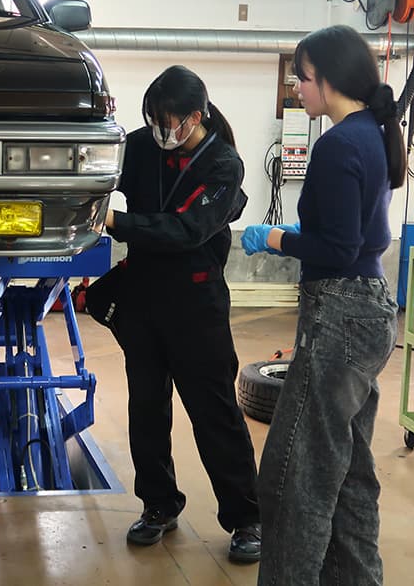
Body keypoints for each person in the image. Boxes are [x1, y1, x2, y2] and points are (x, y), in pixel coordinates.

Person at [241, 24, 404, 585]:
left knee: (295, 478)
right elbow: (362, 236)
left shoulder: (337, 144)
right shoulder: (371, 134)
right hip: (371, 310)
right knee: (350, 473)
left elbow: (336, 249)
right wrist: (299, 234)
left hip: (339, 315)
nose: (297, 88)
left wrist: (276, 237)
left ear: (329, 79)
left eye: (303, 78)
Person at [104, 65, 261, 563]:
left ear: (195, 117)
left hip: (196, 304)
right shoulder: (141, 146)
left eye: (167, 121)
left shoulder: (223, 164)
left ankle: (246, 517)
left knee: (214, 413)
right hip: (143, 297)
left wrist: (116, 222)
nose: (159, 130)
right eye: (152, 119)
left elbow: (187, 230)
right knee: (146, 410)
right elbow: (98, 167)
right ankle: (158, 505)